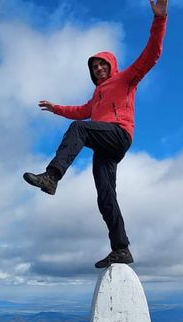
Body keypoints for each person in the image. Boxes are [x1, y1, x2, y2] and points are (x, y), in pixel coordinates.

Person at [23, 0, 168, 269]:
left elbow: (152, 54)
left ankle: (52, 176)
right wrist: (55, 108)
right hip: (105, 146)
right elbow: (80, 111)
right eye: (94, 67)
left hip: (119, 134)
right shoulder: (96, 96)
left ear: (111, 65)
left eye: (102, 64)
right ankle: (121, 248)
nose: (98, 69)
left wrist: (159, 19)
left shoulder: (126, 78)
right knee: (105, 196)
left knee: (80, 129)